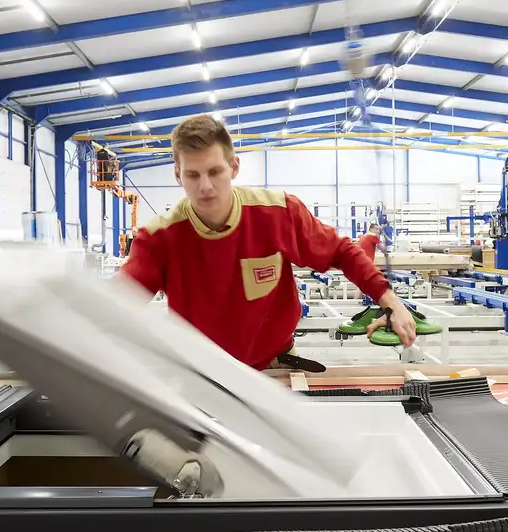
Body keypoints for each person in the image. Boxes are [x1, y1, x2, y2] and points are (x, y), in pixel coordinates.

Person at [120, 114, 417, 369]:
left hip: (275, 365)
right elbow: (116, 305)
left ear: (234, 167)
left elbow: (341, 251)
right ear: (177, 175)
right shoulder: (158, 239)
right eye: (193, 175)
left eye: (215, 171)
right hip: (200, 374)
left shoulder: (278, 213)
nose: (205, 186)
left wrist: (390, 302)